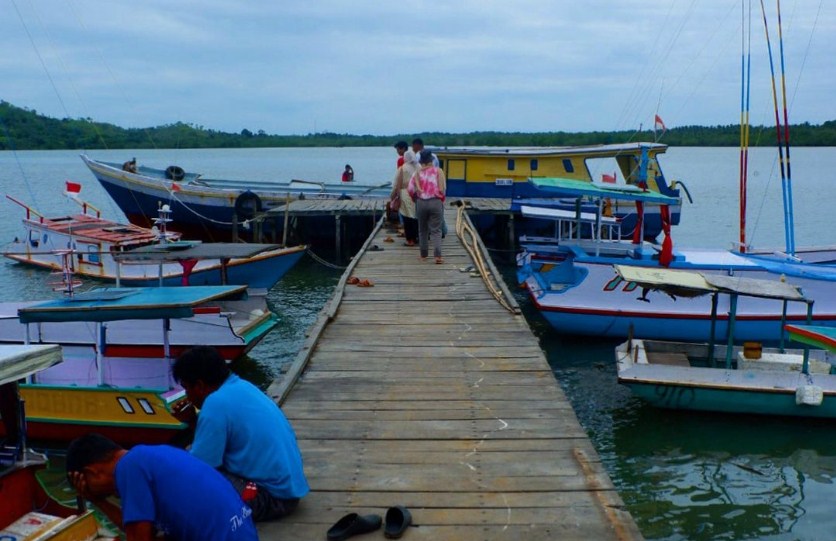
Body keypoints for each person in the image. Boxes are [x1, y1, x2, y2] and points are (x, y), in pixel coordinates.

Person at [171, 346, 309, 522]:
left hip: (269, 499)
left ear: (199, 386)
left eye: (186, 388)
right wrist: (192, 420)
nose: (187, 395)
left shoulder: (215, 404)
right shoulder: (242, 386)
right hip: (287, 491)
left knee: (184, 476)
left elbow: (202, 466)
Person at [66, 433, 258, 541]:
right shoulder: (152, 454)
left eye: (86, 484)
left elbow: (139, 538)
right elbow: (140, 528)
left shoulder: (129, 467)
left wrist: (93, 497)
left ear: (92, 472)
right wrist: (98, 501)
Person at [407, 149, 446, 263]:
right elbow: (443, 189)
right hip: (436, 202)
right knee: (436, 230)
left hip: (421, 202)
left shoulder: (417, 173)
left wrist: (415, 198)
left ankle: (424, 255)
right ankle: (437, 256)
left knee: (422, 230)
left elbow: (410, 189)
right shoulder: (439, 171)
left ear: (420, 161)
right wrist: (441, 200)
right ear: (431, 160)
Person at [391, 149, 419, 246]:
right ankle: (416, 238)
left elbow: (395, 184)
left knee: (407, 217)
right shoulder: (419, 167)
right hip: (417, 194)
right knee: (416, 216)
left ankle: (410, 240)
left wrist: (393, 196)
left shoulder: (402, 168)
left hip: (405, 194)